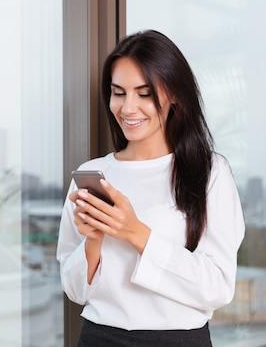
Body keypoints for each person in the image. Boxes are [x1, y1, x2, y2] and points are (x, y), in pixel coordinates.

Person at [56, 30, 245, 346]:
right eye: (119, 92)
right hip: (99, 337)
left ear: (174, 94)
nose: (128, 108)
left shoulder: (209, 171)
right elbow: (75, 291)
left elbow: (218, 287)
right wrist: (93, 241)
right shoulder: (93, 173)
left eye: (144, 94)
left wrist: (135, 232)